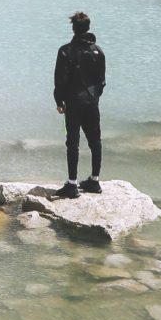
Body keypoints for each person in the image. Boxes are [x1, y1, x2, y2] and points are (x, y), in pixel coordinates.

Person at [51, 10, 105, 198]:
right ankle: (95, 181)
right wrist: (94, 96)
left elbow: (60, 80)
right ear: (88, 27)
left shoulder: (65, 50)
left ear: (73, 28)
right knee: (95, 141)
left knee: (72, 143)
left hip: (73, 103)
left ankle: (72, 185)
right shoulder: (98, 51)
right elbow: (102, 80)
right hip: (92, 102)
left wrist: (59, 101)